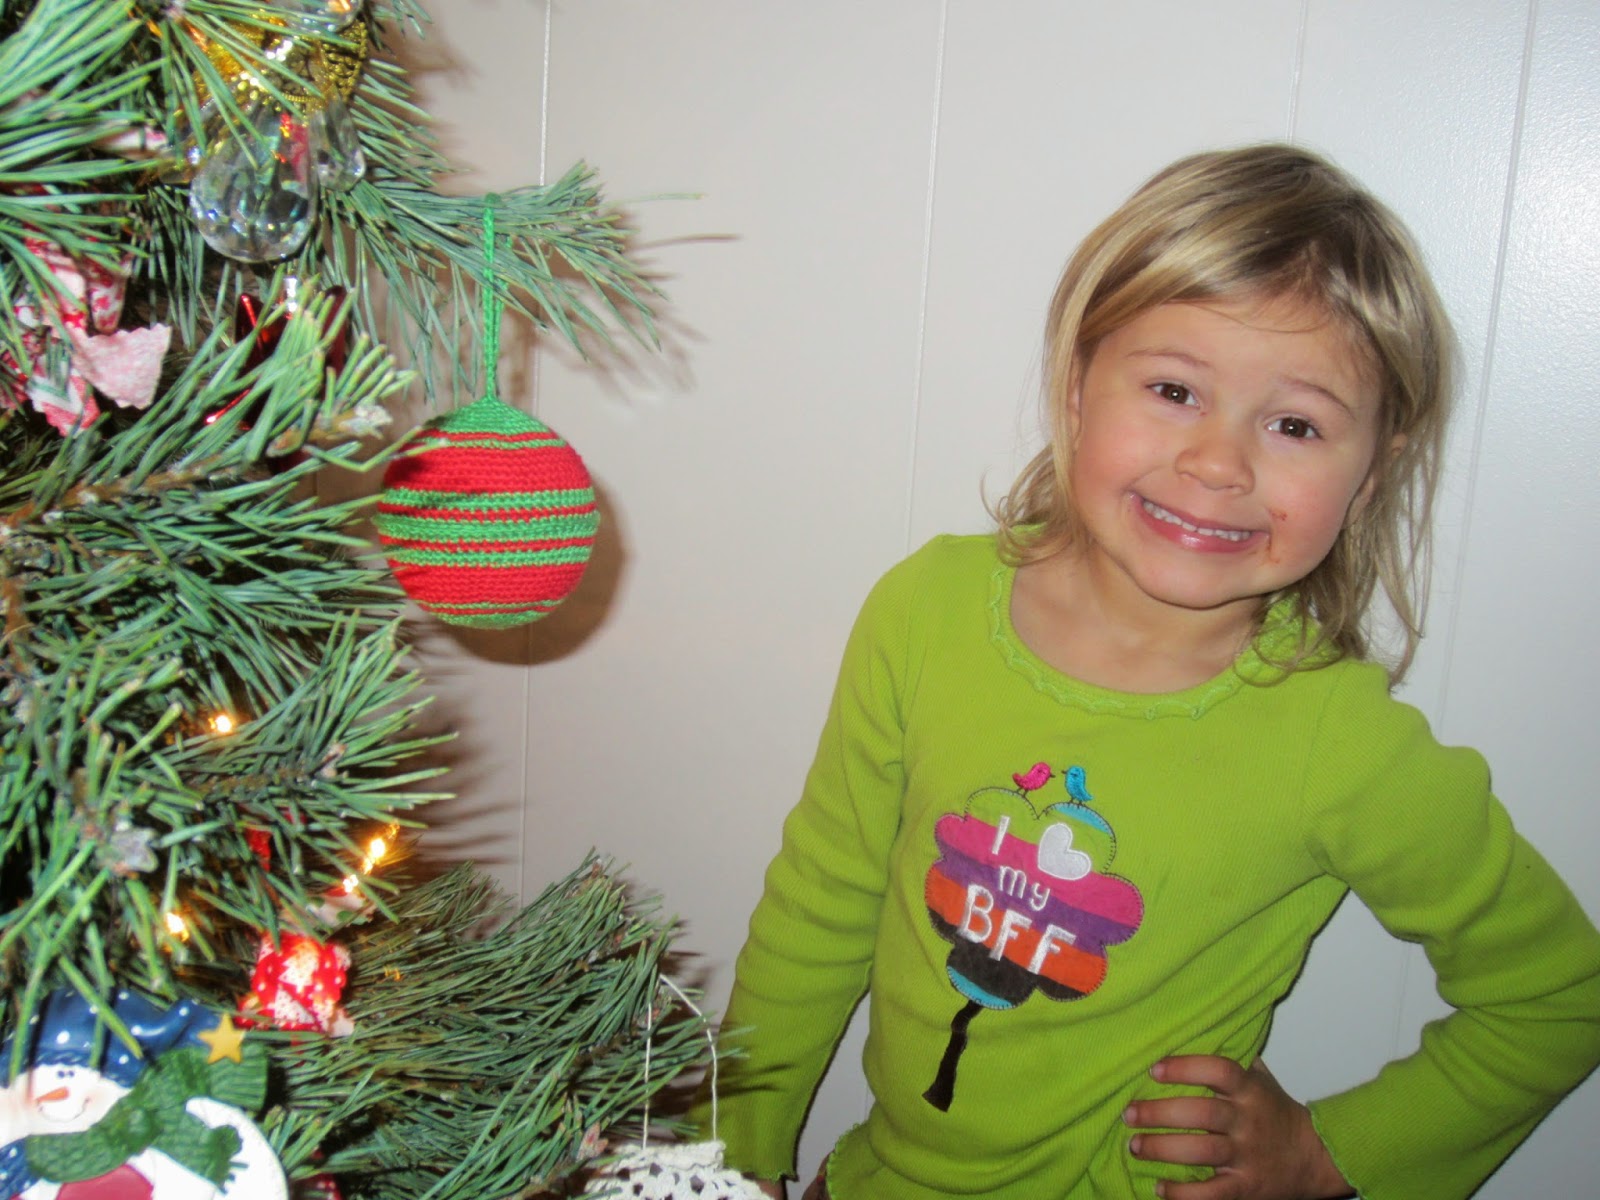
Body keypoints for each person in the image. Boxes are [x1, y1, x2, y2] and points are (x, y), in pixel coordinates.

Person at [701, 144, 1600, 1200]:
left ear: (1370, 475)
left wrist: (1326, 1152)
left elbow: (1561, 999)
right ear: (1077, 384)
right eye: (1174, 390)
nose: (1218, 463)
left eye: (1295, 424)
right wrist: (735, 1153)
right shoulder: (926, 610)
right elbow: (822, 901)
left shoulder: (1340, 743)